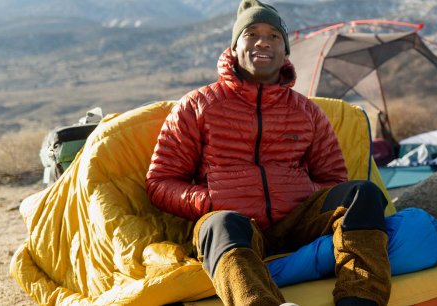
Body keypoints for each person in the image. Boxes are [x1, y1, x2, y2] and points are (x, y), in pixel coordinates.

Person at [145, 1, 390, 305]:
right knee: (218, 225)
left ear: (285, 51)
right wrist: (210, 201)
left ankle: (360, 299)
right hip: (238, 229)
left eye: (274, 35)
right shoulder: (198, 105)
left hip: (297, 221)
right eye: (251, 33)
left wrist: (299, 192)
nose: (263, 41)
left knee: (362, 194)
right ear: (234, 47)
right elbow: (160, 181)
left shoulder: (307, 112)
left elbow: (333, 179)